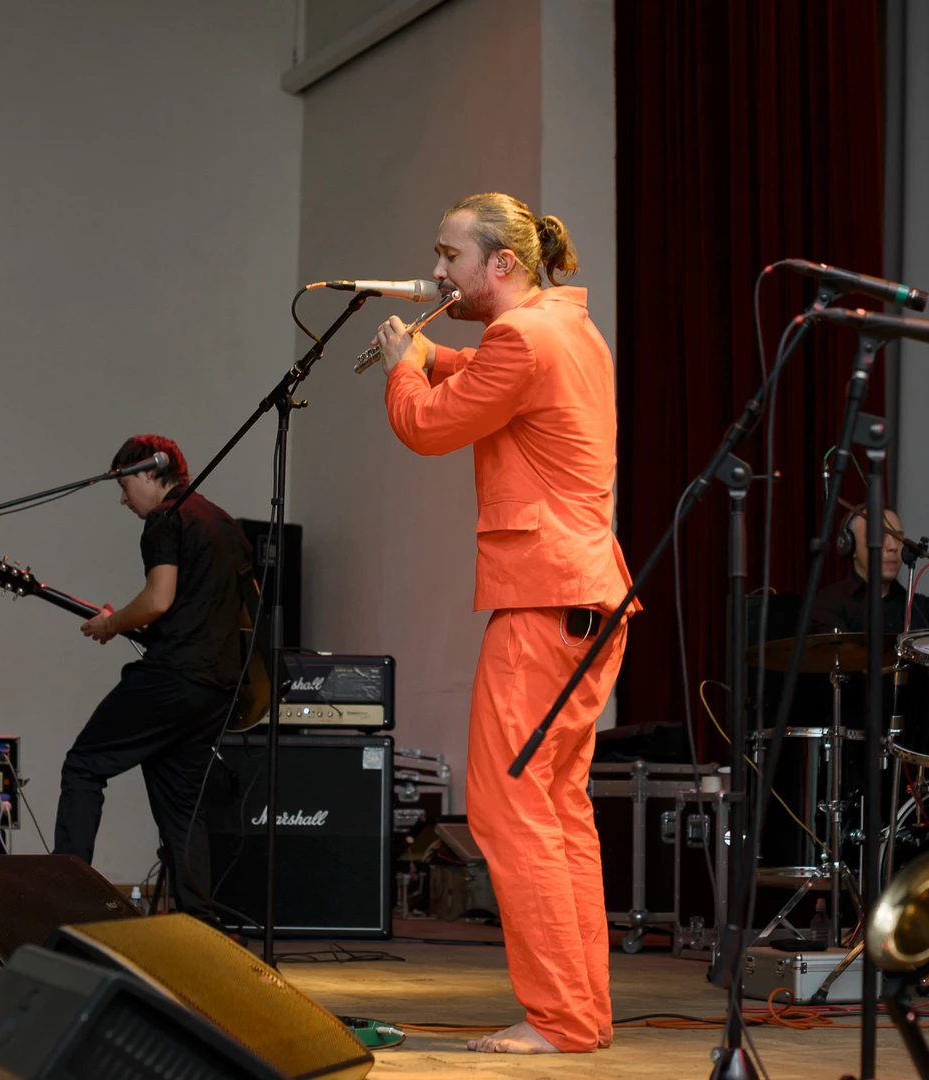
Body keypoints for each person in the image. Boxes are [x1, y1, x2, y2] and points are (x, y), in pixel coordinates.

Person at [370, 193, 634, 1055]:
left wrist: (402, 368)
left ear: (502, 263)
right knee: (555, 807)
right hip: (587, 595)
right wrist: (430, 354)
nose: (436, 271)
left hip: (544, 596)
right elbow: (489, 378)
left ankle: (558, 1017)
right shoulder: (565, 328)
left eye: (449, 256)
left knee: (507, 806)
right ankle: (579, 1013)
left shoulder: (520, 338)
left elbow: (425, 427)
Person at [51, 435, 252, 923]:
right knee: (182, 807)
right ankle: (200, 925)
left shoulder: (166, 517)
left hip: (173, 675)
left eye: (124, 486)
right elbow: (241, 610)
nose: (123, 500)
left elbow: (159, 598)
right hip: (218, 687)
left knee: (83, 766)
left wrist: (112, 623)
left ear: (147, 473)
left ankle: (63, 901)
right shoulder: (225, 523)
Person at [810, 508, 929, 635]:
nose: (893, 546)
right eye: (879, 537)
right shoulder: (828, 603)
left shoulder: (924, 609)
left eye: (898, 537)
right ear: (850, 546)